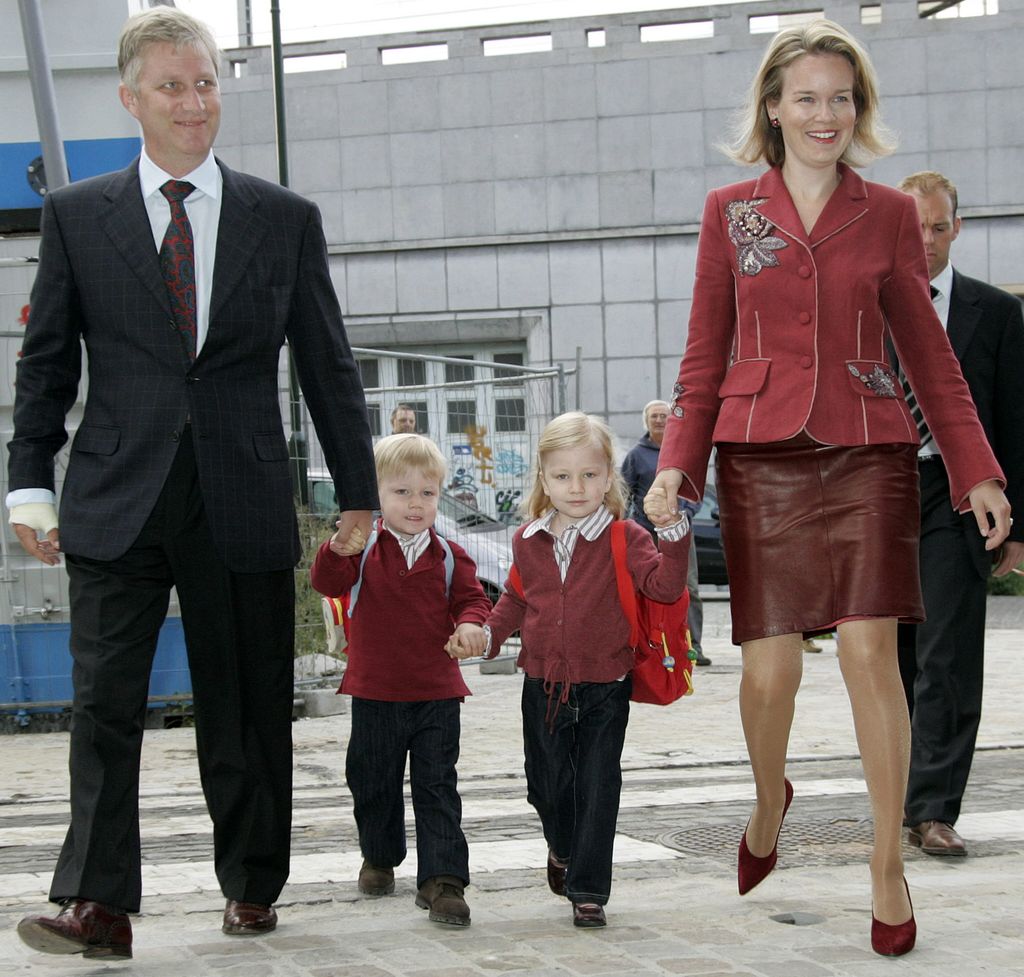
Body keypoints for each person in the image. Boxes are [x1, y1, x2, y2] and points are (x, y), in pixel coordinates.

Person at [8, 8, 377, 959]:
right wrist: (27, 486)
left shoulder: (283, 218)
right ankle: (98, 900)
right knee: (104, 705)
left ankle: (252, 882)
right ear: (132, 99)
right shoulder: (76, 216)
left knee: (247, 700)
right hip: (115, 496)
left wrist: (358, 493)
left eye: (206, 82)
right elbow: (45, 367)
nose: (193, 101)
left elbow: (328, 365)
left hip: (243, 493)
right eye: (172, 85)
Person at [643, 20, 1011, 958]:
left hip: (868, 449)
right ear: (772, 107)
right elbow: (702, 355)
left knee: (866, 654)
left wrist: (976, 470)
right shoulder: (731, 211)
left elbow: (930, 357)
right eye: (806, 97)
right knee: (770, 670)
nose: (825, 114)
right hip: (760, 453)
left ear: (860, 108)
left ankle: (885, 863)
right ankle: (772, 798)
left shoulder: (888, 213)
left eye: (841, 98)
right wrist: (680, 462)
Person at [469, 411, 689, 928]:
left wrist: (673, 535)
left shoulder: (626, 537)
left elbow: (664, 588)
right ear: (543, 480)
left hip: (605, 687)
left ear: (608, 477)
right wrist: (488, 634)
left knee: (597, 786)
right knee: (545, 786)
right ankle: (562, 848)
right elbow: (516, 601)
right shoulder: (528, 539)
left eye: (589, 475)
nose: (576, 487)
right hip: (542, 682)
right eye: (563, 476)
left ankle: (588, 889)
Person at [894, 171, 1024, 857]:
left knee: (947, 653)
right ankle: (904, 790)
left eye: (938, 227)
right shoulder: (868, 307)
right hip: (880, 498)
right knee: (894, 656)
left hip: (958, 494)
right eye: (913, 227)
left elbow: (1015, 417)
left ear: (958, 227)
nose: (926, 240)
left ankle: (932, 808)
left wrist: (1020, 524)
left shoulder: (995, 313)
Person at [310, 434, 490, 927]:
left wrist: (471, 624)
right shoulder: (362, 549)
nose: (415, 504)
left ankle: (443, 880)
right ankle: (380, 854)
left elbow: (473, 600)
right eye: (401, 492)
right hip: (374, 691)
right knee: (372, 781)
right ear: (377, 497)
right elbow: (325, 583)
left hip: (437, 692)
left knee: (437, 785)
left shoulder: (450, 555)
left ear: (439, 496)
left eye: (426, 494)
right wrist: (334, 547)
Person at [621, 400, 711, 666]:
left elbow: (695, 490)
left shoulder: (682, 453)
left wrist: (687, 514)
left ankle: (693, 646)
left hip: (680, 532)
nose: (659, 420)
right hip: (645, 534)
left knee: (689, 588)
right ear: (646, 421)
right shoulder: (635, 455)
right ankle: (648, 645)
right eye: (654, 416)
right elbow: (623, 492)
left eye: (664, 416)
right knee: (644, 588)